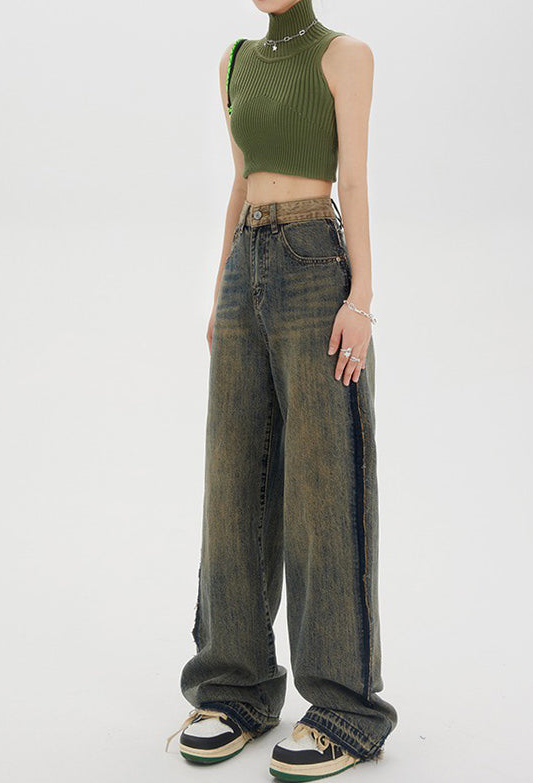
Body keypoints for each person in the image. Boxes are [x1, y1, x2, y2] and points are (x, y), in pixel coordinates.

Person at [165, 1, 398, 779]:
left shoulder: (344, 54)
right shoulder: (234, 60)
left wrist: (360, 296)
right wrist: (220, 289)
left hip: (313, 262)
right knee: (232, 478)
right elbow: (239, 182)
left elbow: (353, 179)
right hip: (246, 269)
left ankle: (343, 709)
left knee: (325, 482)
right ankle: (233, 687)